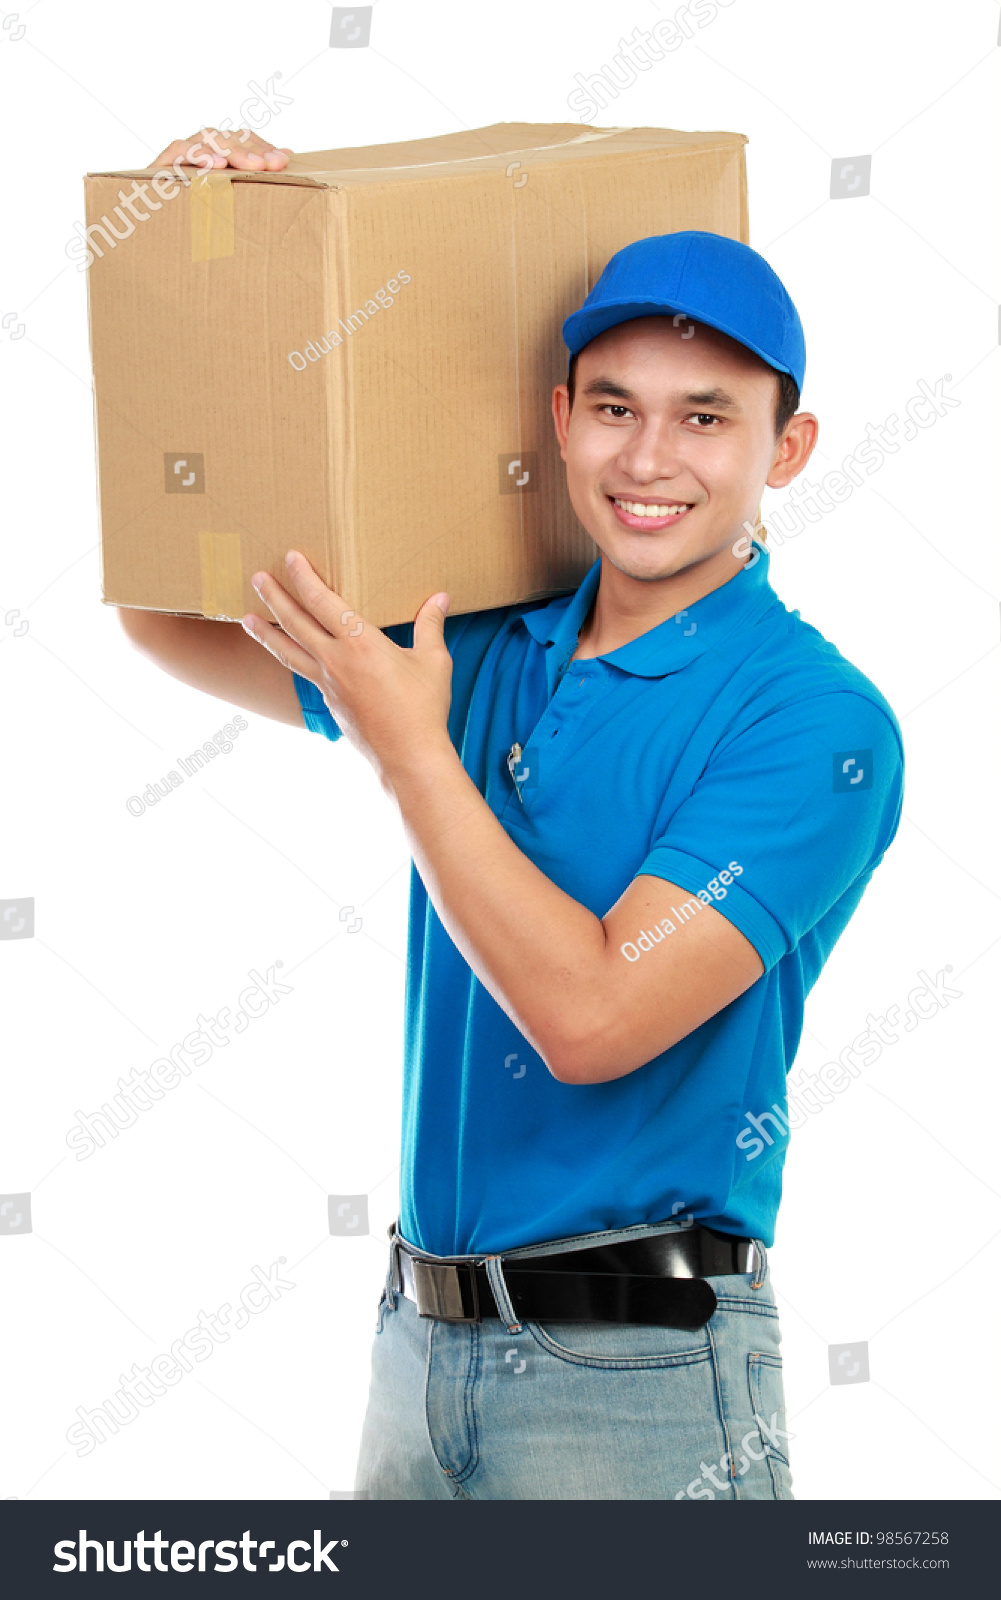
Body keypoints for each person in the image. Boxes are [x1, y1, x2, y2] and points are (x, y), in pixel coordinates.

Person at [121, 129, 904, 1501]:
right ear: (558, 421)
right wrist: (219, 272)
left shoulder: (813, 722)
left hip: (639, 1384)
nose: (646, 457)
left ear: (789, 448)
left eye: (705, 416)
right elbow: (164, 610)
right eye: (612, 406)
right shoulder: (486, 649)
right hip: (417, 1352)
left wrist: (407, 746)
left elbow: (593, 1019)